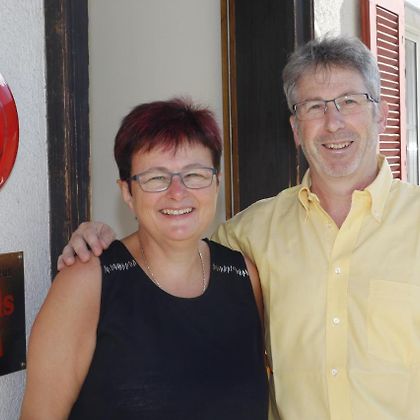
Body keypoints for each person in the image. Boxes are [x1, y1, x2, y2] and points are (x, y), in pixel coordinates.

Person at [57, 36, 420, 419]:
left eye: (349, 101)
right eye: (314, 107)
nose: (333, 123)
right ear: (296, 129)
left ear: (380, 114)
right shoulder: (250, 234)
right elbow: (170, 249)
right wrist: (100, 241)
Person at [20, 98, 269, 419]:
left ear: (217, 183)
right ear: (127, 191)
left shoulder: (243, 276)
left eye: (195, 175)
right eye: (156, 178)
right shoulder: (87, 283)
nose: (177, 192)